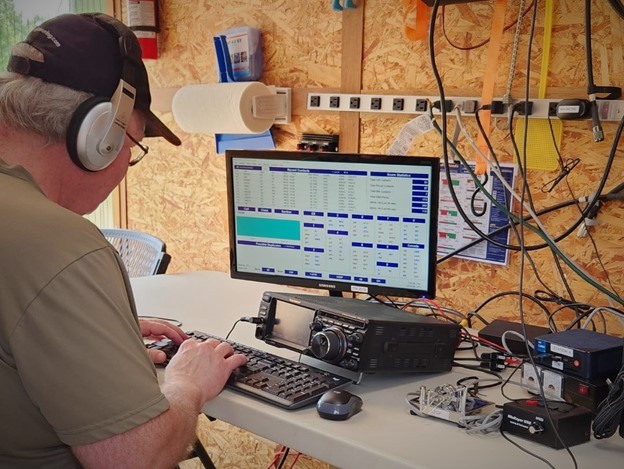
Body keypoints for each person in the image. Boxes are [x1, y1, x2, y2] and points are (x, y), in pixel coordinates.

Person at [0, 12, 248, 468]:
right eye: (130, 147)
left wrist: (87, 336)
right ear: (100, 139)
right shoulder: (62, 247)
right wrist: (187, 385)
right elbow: (135, 459)